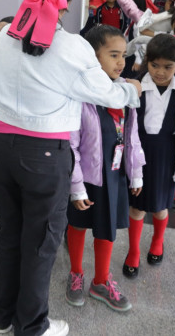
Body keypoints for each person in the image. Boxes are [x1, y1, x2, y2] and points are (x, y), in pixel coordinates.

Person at [0, 0, 141, 336]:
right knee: (40, 242)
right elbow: (105, 92)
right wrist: (132, 90)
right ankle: (34, 325)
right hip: (43, 155)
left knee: (9, 233)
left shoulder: (5, 33)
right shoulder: (73, 47)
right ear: (66, 4)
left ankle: (3, 317)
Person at [65, 25, 144, 314]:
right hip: (85, 179)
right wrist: (76, 186)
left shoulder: (124, 91)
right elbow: (71, 144)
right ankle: (75, 273)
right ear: (92, 57)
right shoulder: (81, 95)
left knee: (107, 229)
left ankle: (101, 280)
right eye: (113, 55)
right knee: (77, 224)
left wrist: (135, 172)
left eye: (123, 55)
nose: (121, 62)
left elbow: (133, 135)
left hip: (114, 176)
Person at [122, 34, 175, 280]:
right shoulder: (134, 85)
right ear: (147, 62)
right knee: (136, 206)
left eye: (168, 67)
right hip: (138, 152)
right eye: (155, 65)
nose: (160, 72)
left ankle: (157, 241)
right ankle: (133, 251)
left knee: (161, 206)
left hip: (168, 156)